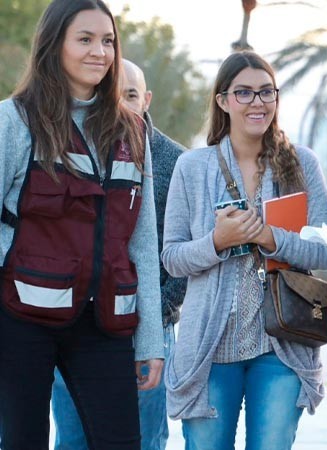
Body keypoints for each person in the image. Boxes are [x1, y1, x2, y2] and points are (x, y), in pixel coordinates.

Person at [0, 0, 164, 448]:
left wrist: (151, 340)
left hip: (104, 320)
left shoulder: (132, 131)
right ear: (56, 46)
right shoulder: (14, 120)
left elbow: (143, 242)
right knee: (23, 440)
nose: (100, 52)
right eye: (85, 40)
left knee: (122, 441)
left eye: (108, 41)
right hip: (21, 317)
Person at [161, 50, 327, 450]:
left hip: (282, 345)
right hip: (209, 349)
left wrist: (271, 238)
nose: (258, 103)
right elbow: (172, 257)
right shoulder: (193, 167)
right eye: (244, 93)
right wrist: (217, 243)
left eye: (266, 92)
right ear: (222, 101)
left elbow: (325, 252)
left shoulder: (302, 164)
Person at [50, 59, 187, 450]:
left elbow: (180, 244)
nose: (123, 104)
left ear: (146, 99)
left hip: (149, 322)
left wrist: (161, 309)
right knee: (73, 435)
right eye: (116, 95)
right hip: (79, 316)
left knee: (145, 437)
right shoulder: (76, 151)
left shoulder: (174, 162)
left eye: (131, 95)